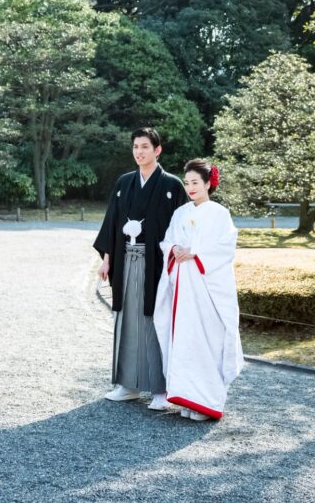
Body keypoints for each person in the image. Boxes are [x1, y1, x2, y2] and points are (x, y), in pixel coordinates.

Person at [94, 128, 189, 410]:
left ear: (157, 150)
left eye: (145, 146)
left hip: (157, 264)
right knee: (127, 321)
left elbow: (181, 230)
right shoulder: (124, 183)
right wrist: (107, 258)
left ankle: (161, 388)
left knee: (156, 320)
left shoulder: (172, 185)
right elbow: (112, 222)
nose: (139, 152)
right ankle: (128, 384)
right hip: (126, 260)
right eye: (135, 146)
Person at [155, 159, 244, 421]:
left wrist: (194, 252)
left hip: (207, 289)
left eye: (196, 182)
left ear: (208, 183)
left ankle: (206, 401)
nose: (191, 187)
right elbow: (168, 240)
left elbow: (225, 248)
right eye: (187, 183)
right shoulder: (180, 212)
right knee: (185, 339)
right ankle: (186, 398)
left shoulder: (219, 214)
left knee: (207, 339)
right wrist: (174, 250)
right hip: (183, 287)